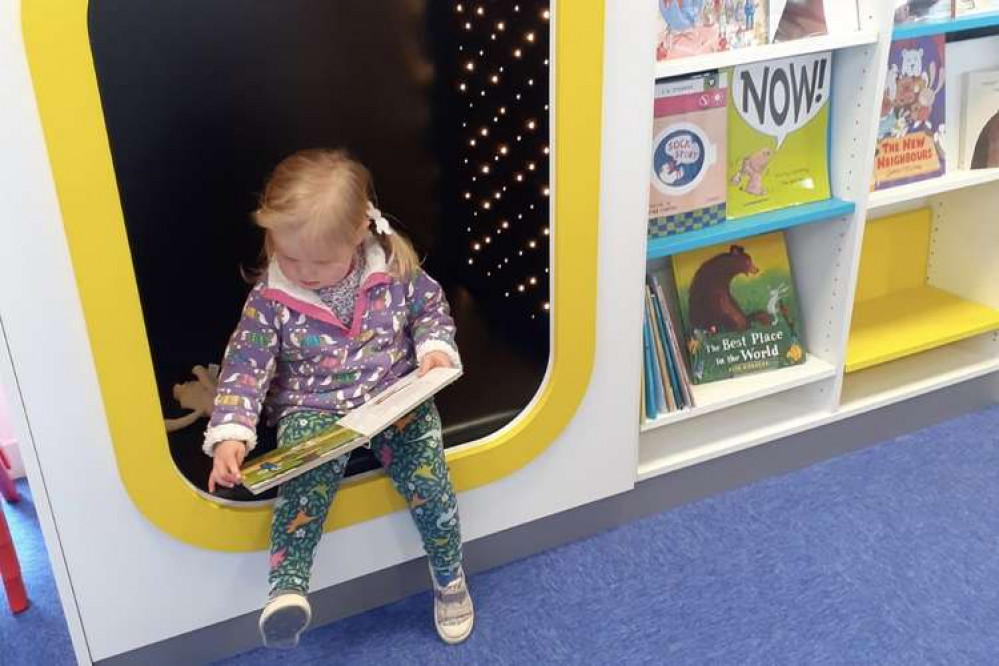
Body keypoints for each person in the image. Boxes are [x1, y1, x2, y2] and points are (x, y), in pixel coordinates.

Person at [202, 148, 473, 648]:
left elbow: (431, 309)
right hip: (315, 410)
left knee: (429, 478)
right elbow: (244, 368)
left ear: (357, 236)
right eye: (289, 257)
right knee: (303, 482)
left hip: (394, 395)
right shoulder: (269, 300)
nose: (303, 272)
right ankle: (287, 590)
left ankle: (449, 573)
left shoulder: (391, 267)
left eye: (320, 261)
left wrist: (433, 351)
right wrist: (231, 436)